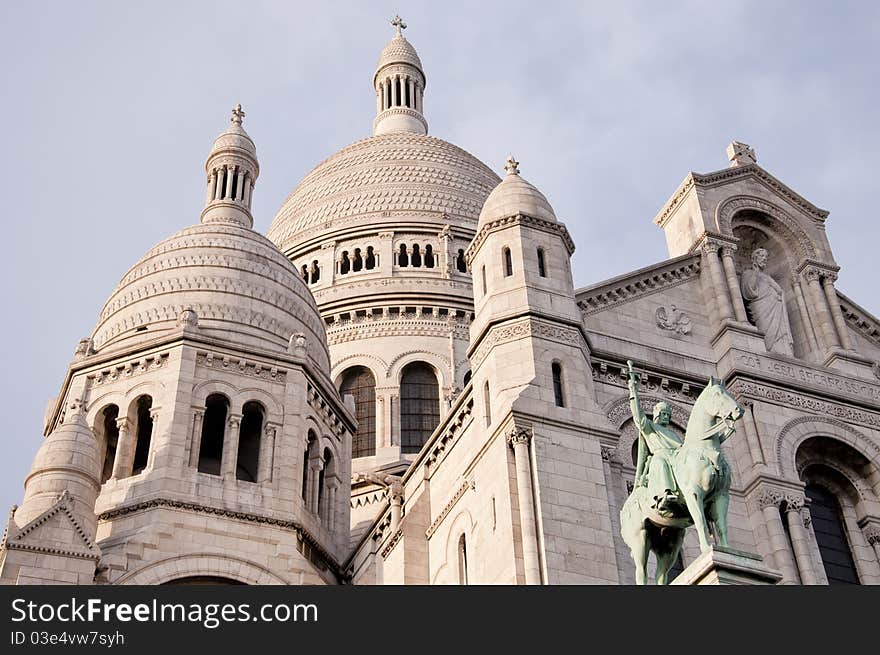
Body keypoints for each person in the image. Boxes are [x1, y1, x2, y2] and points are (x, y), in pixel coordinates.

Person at [627, 364, 683, 514]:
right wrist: (633, 390)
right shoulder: (650, 426)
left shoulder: (674, 435)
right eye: (663, 413)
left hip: (676, 458)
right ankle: (665, 494)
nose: (666, 417)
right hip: (660, 457)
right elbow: (638, 417)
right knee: (660, 461)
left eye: (667, 415)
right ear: (657, 414)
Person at [740, 247, 794, 355]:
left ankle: (785, 353)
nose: (764, 259)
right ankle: (771, 350)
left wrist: (777, 295)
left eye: (766, 257)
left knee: (780, 333)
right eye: (762, 256)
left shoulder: (767, 277)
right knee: (767, 333)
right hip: (762, 309)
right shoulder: (748, 273)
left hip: (776, 310)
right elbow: (749, 292)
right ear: (755, 258)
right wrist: (755, 273)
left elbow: (779, 290)